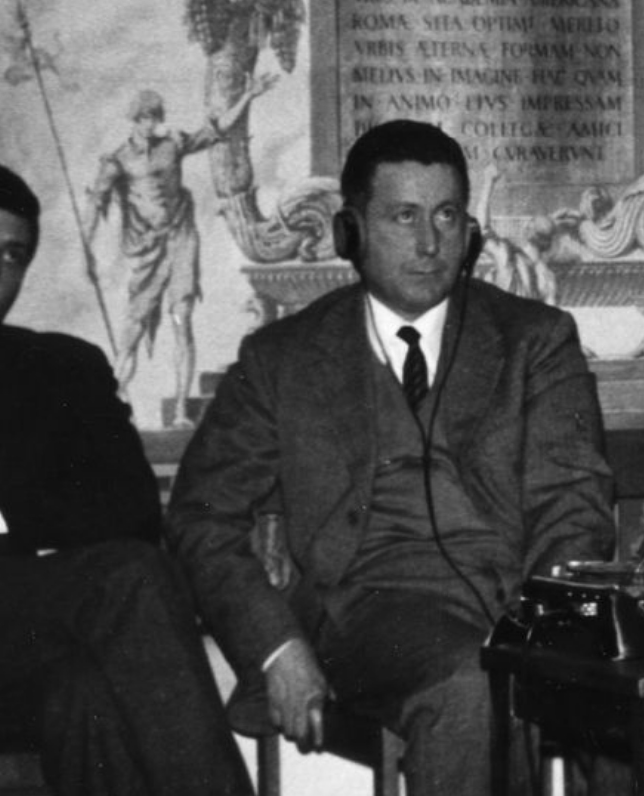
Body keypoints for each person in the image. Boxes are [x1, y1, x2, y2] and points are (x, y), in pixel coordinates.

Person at [167, 121, 612, 796]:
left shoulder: (535, 340)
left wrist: (545, 627)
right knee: (475, 681)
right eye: (403, 216)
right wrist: (278, 649)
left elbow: (573, 501)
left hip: (519, 603)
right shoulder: (281, 359)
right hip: (367, 613)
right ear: (351, 231)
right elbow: (201, 516)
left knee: (622, 689)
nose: (430, 243)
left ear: (470, 230)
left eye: (446, 216)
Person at [0, 156, 251, 794]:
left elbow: (130, 514)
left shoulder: (60, 369)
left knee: (93, 686)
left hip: (41, 664)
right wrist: (38, 532)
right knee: (122, 587)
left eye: (12, 256)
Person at [84, 78, 271, 409]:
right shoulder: (119, 160)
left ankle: (182, 406)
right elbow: (95, 204)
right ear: (136, 119)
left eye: (156, 117)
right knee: (133, 330)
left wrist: (247, 96)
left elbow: (214, 130)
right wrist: (86, 248)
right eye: (147, 118)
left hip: (181, 238)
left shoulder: (172, 144)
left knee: (181, 318)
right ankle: (112, 398)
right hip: (147, 248)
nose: (153, 123)